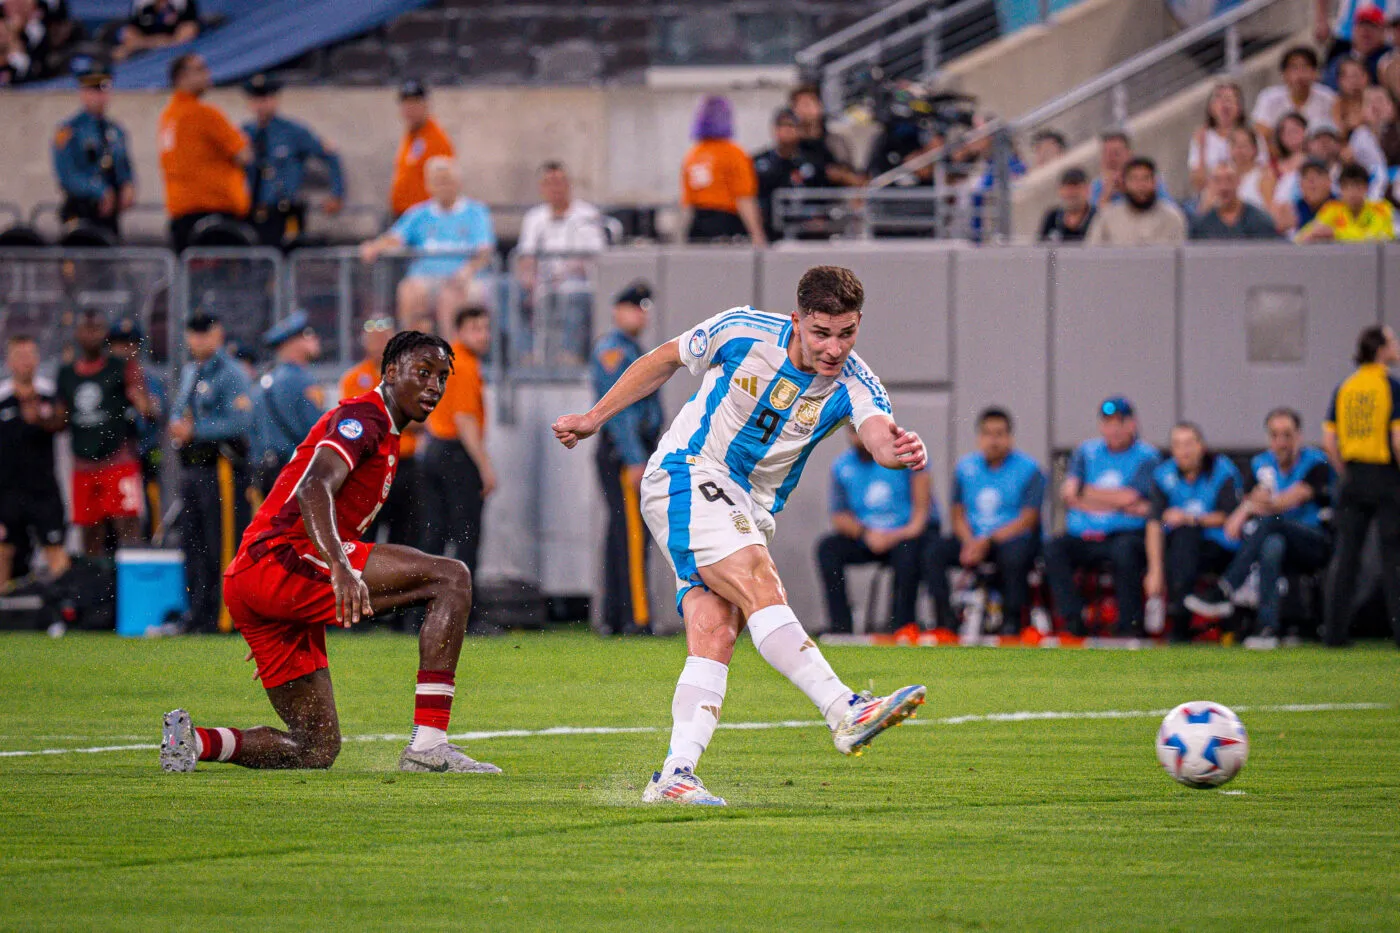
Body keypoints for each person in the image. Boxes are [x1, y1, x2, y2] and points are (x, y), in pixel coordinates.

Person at [552, 265, 928, 807]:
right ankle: (843, 709)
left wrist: (895, 452)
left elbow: (875, 432)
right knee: (758, 577)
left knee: (716, 629)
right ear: (797, 320)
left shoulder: (855, 382)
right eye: (821, 333)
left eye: (846, 333)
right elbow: (662, 360)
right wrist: (595, 417)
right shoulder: (743, 331)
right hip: (688, 470)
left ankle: (674, 776)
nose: (833, 348)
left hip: (745, 507)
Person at [160, 331, 502, 775]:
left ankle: (192, 742)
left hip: (256, 581)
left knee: (316, 747)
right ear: (391, 371)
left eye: (441, 378)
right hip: (282, 562)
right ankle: (430, 744)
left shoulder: (386, 427)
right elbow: (314, 486)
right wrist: (340, 566)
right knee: (452, 578)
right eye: (423, 373)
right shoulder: (365, 416)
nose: (434, 387)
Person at [1186, 408, 1334, 648]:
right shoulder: (1260, 464)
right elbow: (1253, 498)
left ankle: (1226, 588)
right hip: (1278, 540)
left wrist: (1247, 509)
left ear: (1299, 436)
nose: (1281, 442)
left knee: (1271, 524)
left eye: (1287, 435)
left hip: (1313, 541)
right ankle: (1267, 628)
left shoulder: (1317, 463)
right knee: (1271, 543)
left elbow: (1286, 501)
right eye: (1275, 435)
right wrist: (1252, 505)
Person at [1044, 397, 1160, 638]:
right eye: (1108, 422)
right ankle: (1073, 619)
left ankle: (1129, 625)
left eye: (1120, 422)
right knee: (1054, 548)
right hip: (1085, 535)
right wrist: (1116, 502)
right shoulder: (1086, 451)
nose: (1114, 429)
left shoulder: (1146, 456)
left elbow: (1129, 497)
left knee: (1126, 552)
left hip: (1125, 534)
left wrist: (1086, 494)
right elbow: (1069, 494)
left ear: (1132, 424)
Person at [928, 407, 1045, 639]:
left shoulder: (1029, 469)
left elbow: (1029, 519)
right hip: (972, 538)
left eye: (999, 434)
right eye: (988, 434)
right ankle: (946, 620)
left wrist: (987, 541)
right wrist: (970, 541)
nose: (994, 440)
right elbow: (957, 513)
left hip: (1009, 538)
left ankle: (1012, 621)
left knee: (1015, 555)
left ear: (1010, 437)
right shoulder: (965, 468)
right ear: (979, 437)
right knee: (933, 552)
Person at [170, 313, 254, 633]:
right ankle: (199, 613)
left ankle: (226, 616)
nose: (198, 340)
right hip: (193, 468)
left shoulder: (231, 373)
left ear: (218, 334)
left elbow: (241, 422)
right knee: (193, 543)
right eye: (193, 334)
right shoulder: (192, 371)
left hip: (222, 468)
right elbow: (179, 411)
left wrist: (197, 430)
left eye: (204, 333)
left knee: (222, 543)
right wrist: (178, 425)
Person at [591, 282, 664, 636]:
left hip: (630, 450)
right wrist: (635, 458)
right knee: (632, 535)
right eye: (635, 306)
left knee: (624, 533)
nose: (642, 313)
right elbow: (619, 413)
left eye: (645, 307)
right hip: (625, 453)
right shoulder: (614, 352)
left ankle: (617, 616)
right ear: (618, 311)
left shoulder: (631, 348)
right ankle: (635, 616)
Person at [816, 426, 938, 636]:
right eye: (853, 433)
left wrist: (892, 536)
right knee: (827, 548)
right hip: (868, 537)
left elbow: (921, 517)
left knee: (909, 553)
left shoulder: (906, 456)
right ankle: (841, 628)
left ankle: (901, 626)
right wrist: (866, 534)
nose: (858, 439)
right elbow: (839, 516)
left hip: (904, 535)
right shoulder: (841, 466)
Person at [1321, 325, 1400, 647]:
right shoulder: (1390, 386)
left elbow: (1329, 440)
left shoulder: (1346, 387)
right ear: (1380, 349)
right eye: (1392, 340)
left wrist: (1347, 472)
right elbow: (1397, 441)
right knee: (1393, 558)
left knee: (1345, 559)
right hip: (1385, 477)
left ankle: (1334, 634)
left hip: (1353, 477)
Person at [360, 156, 496, 338]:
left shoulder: (476, 212)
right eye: (437, 182)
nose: (442, 187)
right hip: (425, 278)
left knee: (450, 298)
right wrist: (375, 246)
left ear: (457, 182)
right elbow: (395, 238)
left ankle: (451, 358)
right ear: (428, 186)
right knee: (409, 291)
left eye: (446, 181)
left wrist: (467, 271)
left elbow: (484, 252)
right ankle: (413, 354)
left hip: (463, 279)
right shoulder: (418, 214)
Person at [55, 308, 151, 558]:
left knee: (127, 526)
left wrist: (141, 399)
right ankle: (94, 589)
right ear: (76, 334)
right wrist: (40, 417)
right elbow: (59, 419)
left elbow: (147, 409)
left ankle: (132, 587)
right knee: (89, 532)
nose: (91, 335)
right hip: (84, 463)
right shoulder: (66, 373)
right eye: (86, 329)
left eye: (97, 329)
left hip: (118, 461)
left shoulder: (120, 368)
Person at [1143, 423, 1242, 643]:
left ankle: (1180, 621)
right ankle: (1174, 617)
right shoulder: (1163, 475)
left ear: (1201, 446)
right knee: (1179, 541)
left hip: (1218, 547)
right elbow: (1153, 523)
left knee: (1186, 534)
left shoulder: (1222, 470)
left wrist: (1190, 519)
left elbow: (1230, 515)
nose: (1184, 451)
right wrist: (1155, 570)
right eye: (1177, 445)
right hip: (1179, 550)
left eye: (1189, 444)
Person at [421, 306, 494, 583]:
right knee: (466, 535)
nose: (484, 335)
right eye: (476, 329)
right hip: (455, 454)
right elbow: (464, 420)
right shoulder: (464, 365)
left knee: (434, 534)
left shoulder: (447, 361)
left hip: (434, 449)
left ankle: (422, 612)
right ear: (459, 332)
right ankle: (464, 611)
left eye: (486, 328)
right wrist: (485, 467)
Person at [341, 318, 423, 553]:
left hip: (405, 466)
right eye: (374, 338)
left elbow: (421, 419)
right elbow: (356, 423)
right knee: (364, 539)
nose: (380, 344)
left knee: (407, 540)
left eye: (385, 338)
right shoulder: (354, 379)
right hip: (369, 467)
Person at [515, 161, 607, 364]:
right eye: (549, 183)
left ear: (569, 184)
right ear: (542, 189)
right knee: (512, 291)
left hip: (578, 280)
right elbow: (526, 256)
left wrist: (564, 271)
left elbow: (594, 254)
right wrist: (529, 279)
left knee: (573, 296)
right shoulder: (534, 218)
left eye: (559, 182)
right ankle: (527, 356)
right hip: (542, 282)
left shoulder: (587, 215)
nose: (555, 188)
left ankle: (570, 356)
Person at [159, 53, 250, 252]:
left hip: (181, 217)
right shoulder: (204, 114)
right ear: (181, 77)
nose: (208, 74)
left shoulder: (168, 117)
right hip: (215, 217)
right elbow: (244, 155)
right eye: (200, 69)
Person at [241, 73, 345, 248]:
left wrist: (336, 194)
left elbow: (330, 156)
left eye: (265, 98)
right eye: (256, 99)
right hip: (251, 212)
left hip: (284, 211)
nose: (261, 105)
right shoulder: (243, 134)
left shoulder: (293, 132)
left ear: (275, 99)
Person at [0, 334, 69, 588]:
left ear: (38, 359)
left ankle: (66, 612)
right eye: (19, 356)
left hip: (44, 491)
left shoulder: (49, 393)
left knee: (55, 549)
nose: (25, 362)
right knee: (3, 551)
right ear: (9, 360)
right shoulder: (3, 397)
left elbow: (62, 423)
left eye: (30, 356)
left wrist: (39, 420)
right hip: (7, 492)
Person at [53, 63, 135, 237]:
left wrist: (127, 184)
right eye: (94, 90)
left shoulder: (115, 131)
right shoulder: (69, 131)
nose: (100, 96)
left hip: (109, 214)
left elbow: (123, 165)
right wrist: (100, 190)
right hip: (81, 210)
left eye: (104, 89)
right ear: (83, 93)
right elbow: (68, 175)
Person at [107, 317, 167, 541]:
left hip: (142, 459)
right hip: (110, 461)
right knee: (108, 524)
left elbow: (156, 414)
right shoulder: (103, 380)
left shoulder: (148, 380)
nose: (126, 350)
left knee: (147, 519)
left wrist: (145, 405)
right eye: (120, 344)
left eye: (131, 344)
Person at [678, 95, 766, 246]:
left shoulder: (693, 155)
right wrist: (758, 236)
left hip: (698, 227)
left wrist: (680, 239)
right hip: (725, 225)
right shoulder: (734, 153)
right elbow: (744, 198)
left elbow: (686, 205)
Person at [252, 311, 324, 495]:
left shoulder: (265, 381)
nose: (315, 339)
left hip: (268, 472)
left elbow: (253, 431)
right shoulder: (302, 380)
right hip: (298, 472)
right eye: (307, 335)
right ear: (292, 344)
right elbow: (319, 430)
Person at [389, 79, 454, 220]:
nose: (409, 109)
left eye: (415, 103)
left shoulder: (436, 139)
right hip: (403, 216)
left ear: (425, 105)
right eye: (406, 104)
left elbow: (446, 184)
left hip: (423, 220)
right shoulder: (411, 134)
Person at [1253, 46, 1339, 152]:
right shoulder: (1268, 98)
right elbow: (1261, 137)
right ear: (1284, 74)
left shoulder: (1328, 98)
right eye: (1294, 68)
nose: (1300, 74)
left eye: (1305, 67)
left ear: (1316, 73)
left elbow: (1337, 135)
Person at [1086, 157, 1187, 246]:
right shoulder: (1107, 217)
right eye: (1134, 179)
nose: (1140, 186)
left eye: (1145, 179)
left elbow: (1180, 261)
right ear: (1125, 184)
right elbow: (1092, 255)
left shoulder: (1172, 218)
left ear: (1155, 183)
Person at [752, 108, 814, 242]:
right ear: (774, 129)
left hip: (805, 233)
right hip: (769, 232)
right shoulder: (758, 162)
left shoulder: (811, 163)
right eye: (782, 126)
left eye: (791, 126)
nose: (787, 130)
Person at [1297, 160, 1396, 241]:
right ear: (1340, 190)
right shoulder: (1332, 209)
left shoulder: (1381, 208)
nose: (1352, 192)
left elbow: (1377, 237)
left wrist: (1336, 233)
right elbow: (1302, 236)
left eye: (1357, 186)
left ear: (1366, 188)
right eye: (1346, 187)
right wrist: (1311, 235)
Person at [1189, 82, 1252, 199]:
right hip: (1212, 197)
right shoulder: (1201, 137)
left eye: (1229, 100)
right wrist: (1202, 147)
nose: (1224, 105)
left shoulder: (1252, 135)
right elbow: (1198, 184)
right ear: (1211, 107)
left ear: (1239, 107)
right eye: (1219, 99)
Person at [788, 83, 861, 184]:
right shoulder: (790, 143)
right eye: (799, 105)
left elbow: (853, 178)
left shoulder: (834, 141)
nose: (804, 110)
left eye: (808, 104)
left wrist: (841, 175)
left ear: (819, 106)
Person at [1189, 163, 1282, 240]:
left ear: (1239, 181)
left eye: (1229, 179)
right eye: (1217, 180)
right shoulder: (1202, 225)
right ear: (1210, 184)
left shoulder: (1260, 221)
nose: (1224, 187)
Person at [1089, 130, 1172, 209]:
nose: (1110, 159)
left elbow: (1168, 209)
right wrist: (1106, 194)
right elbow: (1095, 220)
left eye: (1116, 153)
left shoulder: (1147, 180)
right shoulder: (1096, 188)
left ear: (1129, 155)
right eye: (1106, 154)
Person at [1324, 6, 1393, 87]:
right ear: (1353, 29)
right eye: (1362, 25)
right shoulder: (1338, 61)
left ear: (1383, 32)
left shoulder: (1390, 59)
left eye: (1373, 26)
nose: (1366, 31)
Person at [116, 0, 198, 62]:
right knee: (119, 53)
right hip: (146, 51)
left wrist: (142, 43)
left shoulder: (184, 4)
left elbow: (187, 33)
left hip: (174, 52)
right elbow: (129, 35)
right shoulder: (141, 5)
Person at [1275, 157, 1335, 234]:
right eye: (1306, 176)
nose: (1311, 181)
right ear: (1300, 184)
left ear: (1329, 181)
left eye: (1318, 175)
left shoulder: (1343, 208)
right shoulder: (1294, 210)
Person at [1038, 167, 1097, 243]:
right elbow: (1040, 249)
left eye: (1076, 187)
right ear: (1060, 190)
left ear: (1087, 189)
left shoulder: (1097, 217)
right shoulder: (1052, 218)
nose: (1071, 193)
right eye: (1067, 187)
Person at [1229, 126, 1277, 212]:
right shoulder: (1223, 175)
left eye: (1244, 145)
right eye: (1235, 145)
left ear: (1255, 149)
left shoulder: (1264, 176)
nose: (1239, 150)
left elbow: (1271, 213)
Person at [1332, 57, 1372, 138]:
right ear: (1339, 81)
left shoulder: (1378, 98)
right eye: (1348, 77)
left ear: (1367, 77)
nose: (1354, 81)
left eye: (1357, 75)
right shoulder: (1335, 104)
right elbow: (1337, 133)